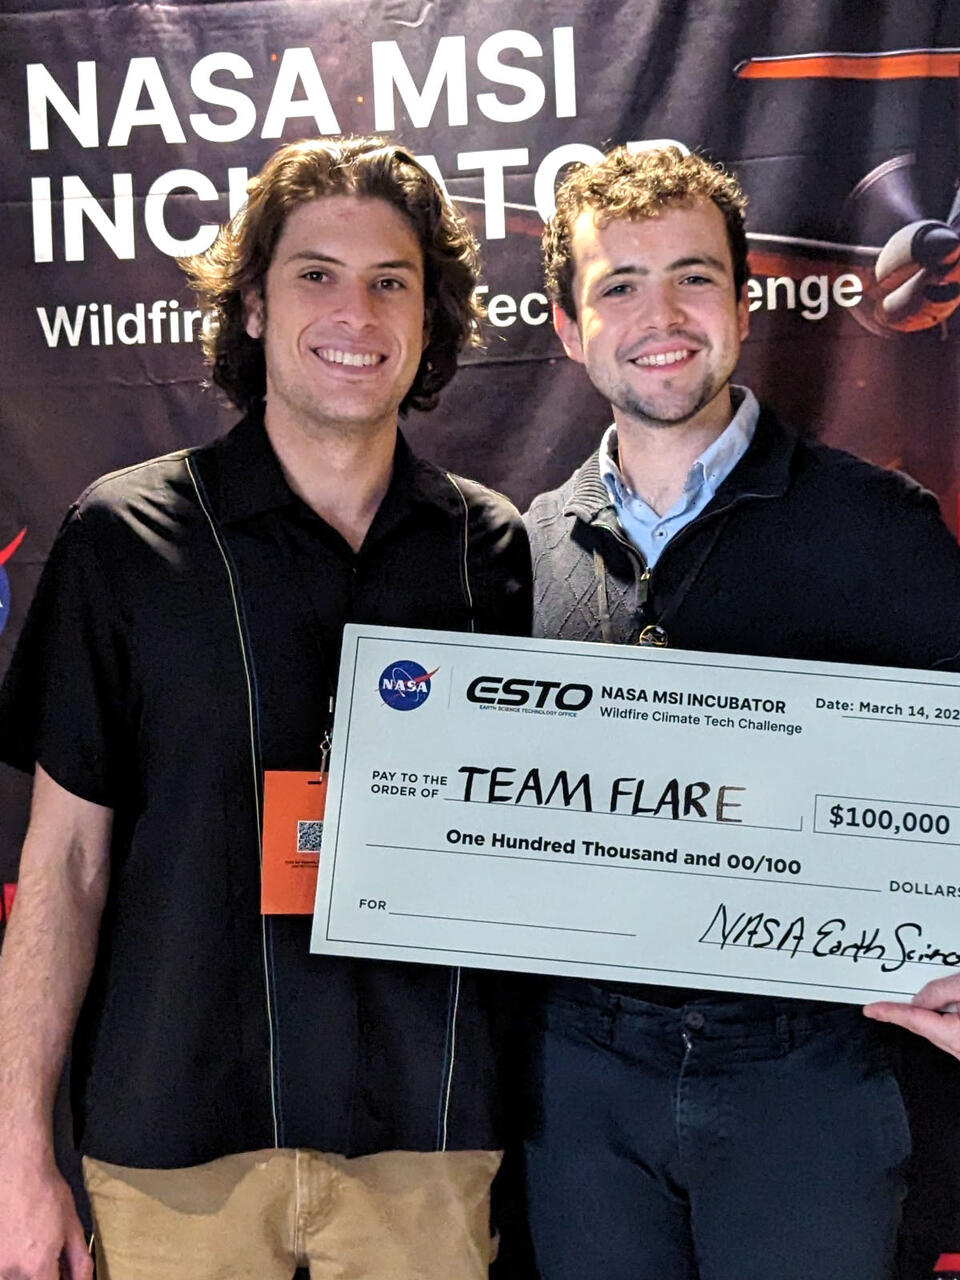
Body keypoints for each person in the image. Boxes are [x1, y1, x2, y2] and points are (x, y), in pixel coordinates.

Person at [0, 136, 530, 1280]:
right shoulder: (125, 538)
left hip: (424, 1148)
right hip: (173, 1151)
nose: (358, 309)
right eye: (316, 273)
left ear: (430, 316)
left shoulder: (494, 548)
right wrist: (14, 1159)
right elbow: (64, 866)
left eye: (392, 280)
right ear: (249, 304)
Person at [520, 144, 960, 1280]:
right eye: (618, 284)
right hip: (581, 1080)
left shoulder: (884, 529)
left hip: (813, 1066)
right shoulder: (514, 554)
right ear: (568, 326)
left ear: (746, 302)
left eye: (695, 276)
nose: (659, 313)